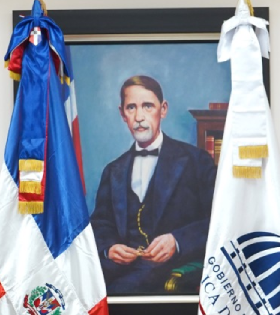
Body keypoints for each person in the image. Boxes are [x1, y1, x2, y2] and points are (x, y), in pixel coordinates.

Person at [89, 75, 217, 295]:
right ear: (122, 114)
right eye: (131, 107)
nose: (139, 117)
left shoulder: (196, 161)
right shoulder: (113, 170)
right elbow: (101, 223)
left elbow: (218, 221)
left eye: (147, 106)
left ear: (163, 109)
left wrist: (177, 241)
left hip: (173, 268)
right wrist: (109, 248)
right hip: (119, 268)